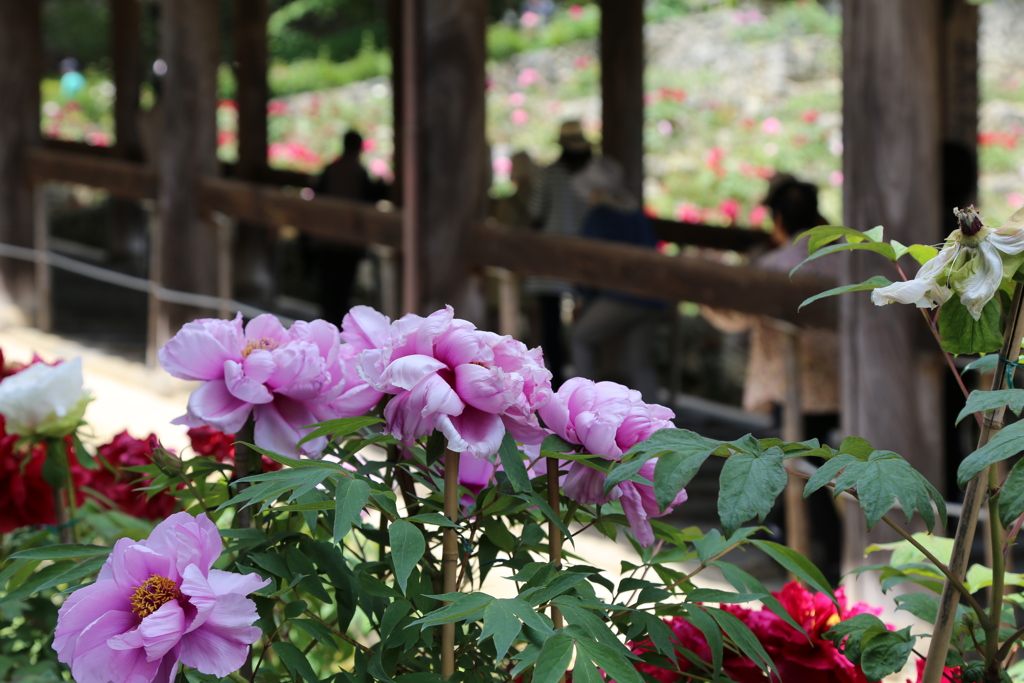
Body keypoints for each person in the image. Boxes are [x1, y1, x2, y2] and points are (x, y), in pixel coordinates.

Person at [569, 157, 666, 404]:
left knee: (581, 337)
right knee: (639, 364)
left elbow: (587, 265)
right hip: (652, 297)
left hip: (622, 295)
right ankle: (658, 428)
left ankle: (584, 405)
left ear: (596, 190)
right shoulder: (634, 213)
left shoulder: (599, 216)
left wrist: (582, 298)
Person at [527, 121, 592, 387]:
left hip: (552, 256)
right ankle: (586, 381)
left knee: (550, 323)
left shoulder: (550, 174)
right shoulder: (595, 175)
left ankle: (555, 380)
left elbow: (535, 213)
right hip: (588, 255)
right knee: (586, 321)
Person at [313, 130, 386, 324]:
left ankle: (327, 324)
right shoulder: (359, 173)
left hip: (328, 240)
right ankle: (339, 325)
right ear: (359, 147)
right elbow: (370, 198)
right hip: (349, 242)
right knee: (343, 288)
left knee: (328, 287)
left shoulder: (331, 169)